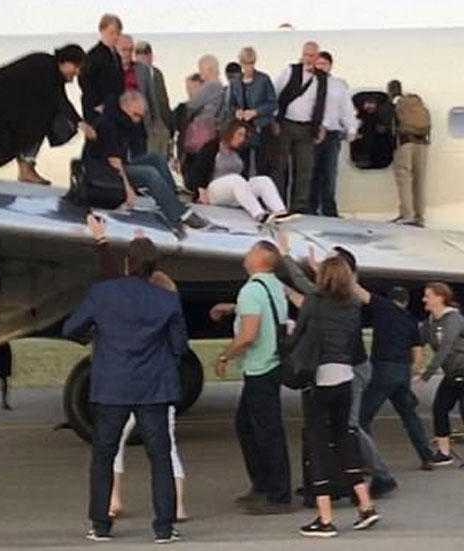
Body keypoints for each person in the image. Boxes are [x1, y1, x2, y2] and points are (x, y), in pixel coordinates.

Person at [62, 235, 187, 544]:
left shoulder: (103, 293)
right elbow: (179, 346)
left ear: (128, 264)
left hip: (112, 385)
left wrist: (94, 334)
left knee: (103, 454)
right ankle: (163, 527)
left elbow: (71, 328)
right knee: (160, 457)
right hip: (154, 386)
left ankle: (101, 524)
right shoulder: (167, 299)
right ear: (154, 267)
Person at [279, 241, 397, 498]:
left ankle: (382, 475)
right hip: (349, 366)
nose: (321, 262)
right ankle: (342, 479)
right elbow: (308, 294)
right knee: (342, 427)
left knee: (349, 426)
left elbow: (307, 291)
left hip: (352, 368)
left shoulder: (343, 295)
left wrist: (286, 256)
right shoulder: (342, 297)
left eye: (329, 260)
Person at [289, 256, 381, 537]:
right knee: (345, 439)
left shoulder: (315, 301)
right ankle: (365, 505)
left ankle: (325, 517)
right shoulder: (353, 304)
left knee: (317, 444)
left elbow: (301, 334)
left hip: (320, 376)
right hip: (344, 375)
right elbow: (354, 344)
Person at [210, 241, 292, 515]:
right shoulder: (274, 286)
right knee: (246, 425)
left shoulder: (251, 290)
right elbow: (262, 311)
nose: (245, 255)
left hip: (259, 368)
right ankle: (262, 484)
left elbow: (248, 334)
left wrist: (225, 355)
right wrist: (232, 307)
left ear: (259, 259)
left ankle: (278, 493)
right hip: (271, 365)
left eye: (250, 251)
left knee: (266, 431)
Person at [84, 90, 211, 230]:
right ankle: (179, 213)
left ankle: (172, 200)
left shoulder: (125, 122)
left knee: (156, 159)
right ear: (124, 108)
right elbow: (114, 162)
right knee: (149, 173)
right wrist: (128, 189)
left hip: (118, 163)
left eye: (140, 116)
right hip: (104, 170)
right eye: (135, 115)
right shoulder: (108, 124)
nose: (137, 120)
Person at [0, 43, 91, 185]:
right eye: (76, 67)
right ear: (65, 61)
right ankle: (26, 168)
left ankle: (26, 167)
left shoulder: (49, 69)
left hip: (2, 101)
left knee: (40, 118)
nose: (77, 72)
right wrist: (80, 123)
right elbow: (60, 100)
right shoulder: (46, 69)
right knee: (40, 120)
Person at [354, 286, 436, 471]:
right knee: (409, 415)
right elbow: (418, 355)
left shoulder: (383, 307)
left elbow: (359, 292)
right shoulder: (411, 321)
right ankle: (426, 456)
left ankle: (366, 461)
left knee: (362, 416)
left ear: (390, 299)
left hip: (383, 368)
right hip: (402, 370)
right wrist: (411, 374)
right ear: (406, 302)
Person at [416, 283, 464, 470]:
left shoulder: (453, 319)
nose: (424, 299)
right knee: (439, 408)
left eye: (428, 296)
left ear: (440, 298)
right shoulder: (429, 323)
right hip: (453, 372)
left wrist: (425, 376)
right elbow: (418, 341)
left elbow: (444, 350)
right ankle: (443, 452)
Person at [186, 120, 289, 222]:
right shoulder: (212, 148)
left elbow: (245, 177)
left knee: (263, 180)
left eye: (244, 136)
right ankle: (259, 215)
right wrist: (200, 190)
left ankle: (280, 212)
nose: (241, 139)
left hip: (236, 190)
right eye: (239, 135)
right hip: (214, 191)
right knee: (236, 179)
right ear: (229, 133)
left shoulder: (241, 152)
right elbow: (196, 172)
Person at [272, 41, 328, 214]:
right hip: (286, 124)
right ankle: (278, 204)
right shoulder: (290, 71)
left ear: (317, 57)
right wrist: (275, 120)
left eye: (312, 55)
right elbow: (276, 93)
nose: (309, 59)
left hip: (307, 127)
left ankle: (300, 207)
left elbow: (322, 102)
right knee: (280, 167)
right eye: (306, 55)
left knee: (305, 168)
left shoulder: (322, 78)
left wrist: (321, 125)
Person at [310, 51, 359, 217]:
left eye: (324, 63)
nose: (321, 66)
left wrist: (351, 128)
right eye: (318, 63)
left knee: (329, 173)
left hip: (332, 134)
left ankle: (329, 209)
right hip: (312, 134)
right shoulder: (308, 83)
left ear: (330, 65)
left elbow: (346, 108)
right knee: (311, 172)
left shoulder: (338, 85)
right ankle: (311, 208)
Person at [228, 46, 278, 178]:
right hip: (242, 129)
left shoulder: (264, 80)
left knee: (262, 166)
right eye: (245, 63)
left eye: (250, 63)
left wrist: (256, 112)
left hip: (260, 128)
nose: (248, 67)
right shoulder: (235, 82)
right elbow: (230, 105)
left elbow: (273, 103)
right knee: (242, 166)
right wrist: (237, 112)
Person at [389, 80, 430, 226]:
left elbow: (389, 124)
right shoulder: (415, 102)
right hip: (422, 144)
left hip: (405, 143)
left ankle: (406, 215)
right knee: (420, 181)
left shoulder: (395, 103)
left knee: (405, 180)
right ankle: (420, 217)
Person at [81, 13, 124, 123]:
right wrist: (96, 103)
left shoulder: (116, 55)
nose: (115, 37)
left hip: (114, 106)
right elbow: (83, 79)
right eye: (112, 33)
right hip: (98, 109)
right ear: (102, 31)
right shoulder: (93, 55)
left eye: (118, 33)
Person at [135, 41, 174, 158]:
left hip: (159, 125)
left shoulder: (156, 73)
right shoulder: (135, 73)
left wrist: (168, 125)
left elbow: (163, 101)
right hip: (146, 127)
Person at [183, 55, 225, 155]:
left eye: (201, 69)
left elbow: (193, 104)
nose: (200, 72)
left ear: (209, 69)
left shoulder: (211, 85)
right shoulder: (219, 85)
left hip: (204, 127)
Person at [174, 74, 203, 187]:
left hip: (202, 151)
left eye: (194, 88)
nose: (190, 92)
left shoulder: (208, 108)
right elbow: (174, 131)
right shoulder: (181, 108)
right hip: (185, 152)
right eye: (188, 88)